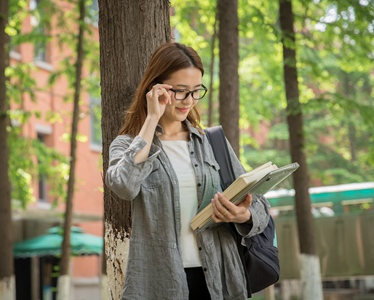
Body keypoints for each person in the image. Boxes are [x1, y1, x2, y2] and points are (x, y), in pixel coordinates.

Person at [105, 42, 271, 300]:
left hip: (220, 279)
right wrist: (151, 119)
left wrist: (242, 214)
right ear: (156, 88)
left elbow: (260, 205)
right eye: (181, 91)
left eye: (196, 91)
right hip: (160, 282)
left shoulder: (211, 142)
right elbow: (124, 186)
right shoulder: (128, 145)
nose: (189, 101)